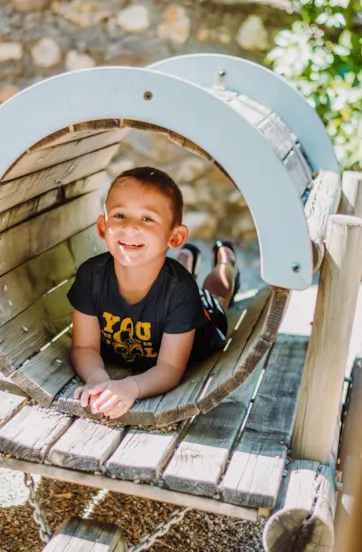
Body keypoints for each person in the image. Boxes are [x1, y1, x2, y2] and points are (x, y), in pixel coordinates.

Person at [67, 166, 241, 420]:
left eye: (147, 218)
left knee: (215, 297)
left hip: (200, 329)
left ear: (175, 236)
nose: (130, 227)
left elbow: (170, 368)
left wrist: (129, 387)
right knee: (173, 275)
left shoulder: (181, 291)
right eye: (119, 215)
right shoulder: (91, 276)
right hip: (169, 285)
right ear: (103, 227)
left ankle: (226, 264)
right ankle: (186, 261)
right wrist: (98, 381)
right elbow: (84, 347)